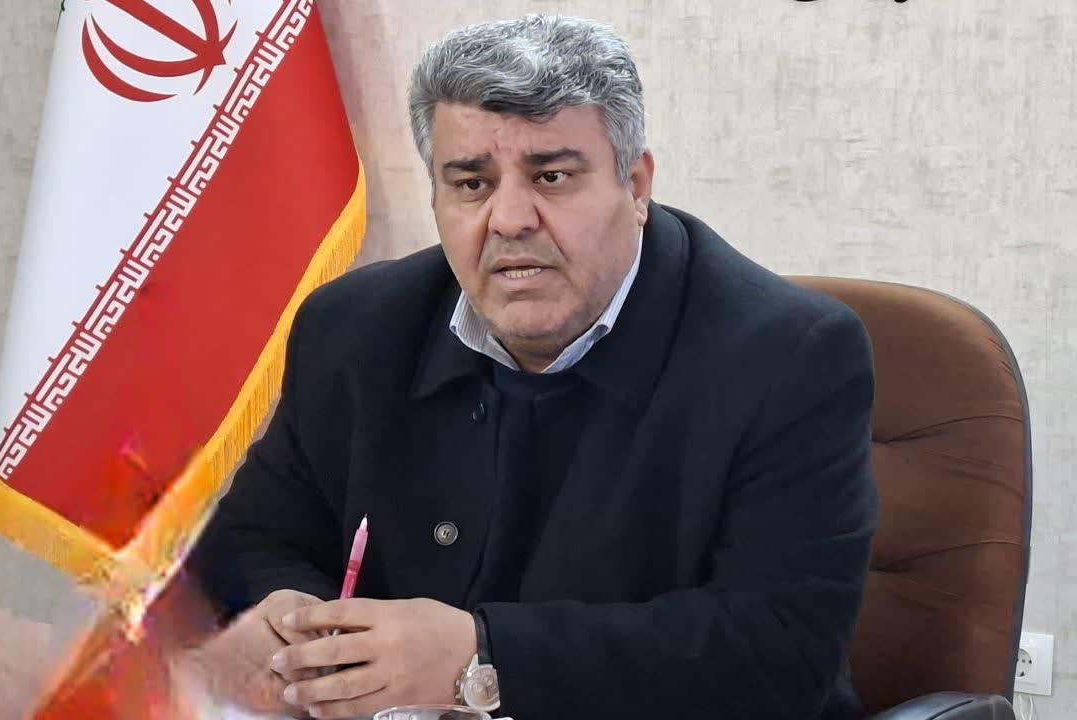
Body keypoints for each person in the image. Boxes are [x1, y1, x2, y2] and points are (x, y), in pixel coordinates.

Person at [181, 14, 878, 720]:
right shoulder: (354, 327)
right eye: (471, 184)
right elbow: (250, 543)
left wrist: (481, 659)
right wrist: (298, 624)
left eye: (552, 176)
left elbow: (778, 652)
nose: (510, 218)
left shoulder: (789, 355)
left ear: (636, 186)